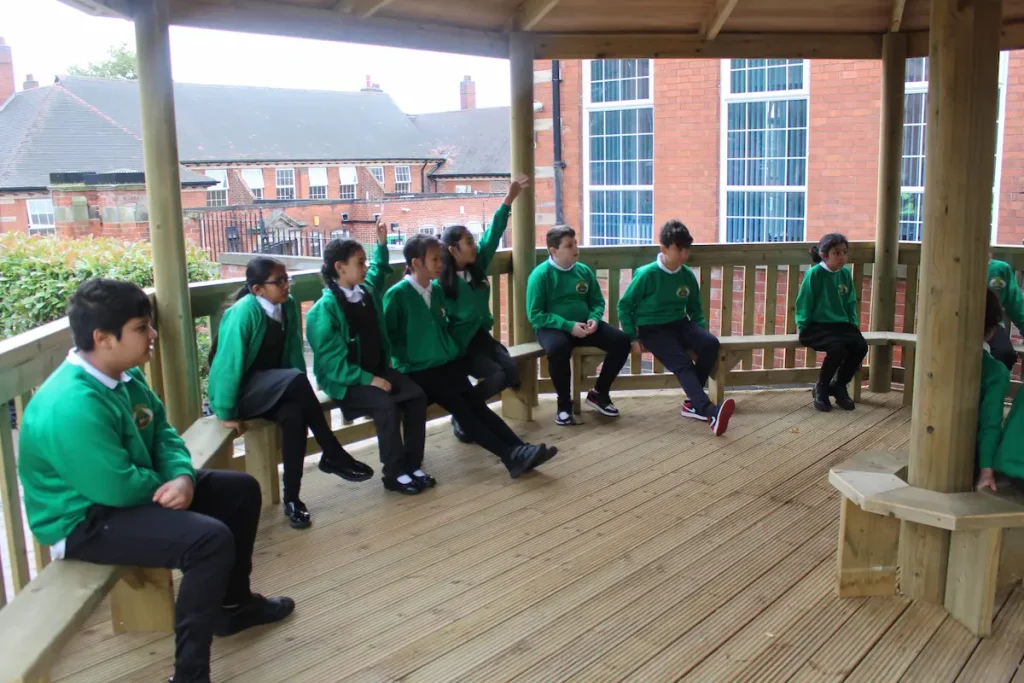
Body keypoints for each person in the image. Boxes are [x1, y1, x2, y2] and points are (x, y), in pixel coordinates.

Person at [17, 278, 293, 683]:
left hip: (130, 492)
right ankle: (189, 674)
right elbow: (113, 485)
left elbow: (163, 435)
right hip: (82, 518)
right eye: (141, 327)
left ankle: (233, 607)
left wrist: (182, 476)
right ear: (103, 338)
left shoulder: (125, 376)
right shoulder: (71, 403)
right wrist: (178, 486)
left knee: (240, 491)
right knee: (208, 541)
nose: (153, 335)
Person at [207, 257, 373, 529]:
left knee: (294, 418)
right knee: (296, 379)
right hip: (243, 393)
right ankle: (331, 451)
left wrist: (294, 389)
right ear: (258, 289)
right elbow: (227, 363)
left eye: (287, 279)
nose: (286, 286)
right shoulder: (244, 312)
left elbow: (293, 353)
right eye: (279, 281)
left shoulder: (288, 306)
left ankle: (293, 500)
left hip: (276, 387)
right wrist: (225, 411)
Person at [383, 234, 556, 479]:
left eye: (440, 258)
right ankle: (510, 455)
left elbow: (445, 326)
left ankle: (519, 449)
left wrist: (451, 350)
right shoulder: (398, 295)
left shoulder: (434, 291)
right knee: (464, 408)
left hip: (444, 363)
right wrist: (403, 362)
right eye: (434, 259)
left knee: (476, 406)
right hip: (417, 370)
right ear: (416, 262)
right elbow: (388, 338)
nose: (440, 263)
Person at [307, 218, 431, 495]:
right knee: (386, 406)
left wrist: (382, 244)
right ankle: (394, 471)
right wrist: (369, 379)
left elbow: (379, 271)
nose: (365, 267)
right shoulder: (323, 311)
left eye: (364, 262)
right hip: (348, 382)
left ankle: (412, 464)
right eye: (359, 263)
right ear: (340, 268)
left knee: (415, 396)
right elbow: (333, 364)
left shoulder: (365, 292)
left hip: (377, 372)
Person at [617, 219, 736, 436]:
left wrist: (698, 335)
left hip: (679, 323)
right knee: (683, 363)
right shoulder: (646, 274)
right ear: (664, 248)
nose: (684, 255)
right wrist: (632, 337)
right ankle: (710, 412)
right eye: (679, 249)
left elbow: (695, 308)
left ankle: (693, 403)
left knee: (710, 344)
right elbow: (625, 305)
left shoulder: (686, 274)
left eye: (686, 249)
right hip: (651, 327)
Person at [439, 174, 529, 443]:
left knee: (512, 373)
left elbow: (493, 234)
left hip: (481, 337)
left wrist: (509, 199)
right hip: (460, 346)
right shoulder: (442, 284)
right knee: (497, 374)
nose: (475, 245)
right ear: (453, 249)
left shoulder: (476, 267)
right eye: (468, 242)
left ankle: (463, 411)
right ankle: (464, 414)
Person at [527, 225, 631, 425]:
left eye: (575, 242)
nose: (576, 247)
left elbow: (597, 301)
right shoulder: (540, 276)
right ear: (554, 251)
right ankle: (564, 405)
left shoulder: (583, 271)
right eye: (569, 245)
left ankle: (599, 393)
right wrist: (567, 325)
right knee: (558, 348)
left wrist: (595, 318)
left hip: (585, 325)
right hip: (552, 328)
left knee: (621, 341)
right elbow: (536, 315)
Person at [795, 232, 867, 412]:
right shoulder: (815, 274)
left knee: (860, 346)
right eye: (836, 253)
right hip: (817, 325)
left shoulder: (845, 274)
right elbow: (805, 301)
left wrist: (853, 324)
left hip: (841, 325)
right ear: (823, 254)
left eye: (844, 252)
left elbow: (850, 302)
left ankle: (839, 385)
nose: (842, 257)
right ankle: (821, 387)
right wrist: (803, 326)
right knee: (837, 349)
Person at [977, 288, 1013, 493]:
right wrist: (986, 470)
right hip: (968, 454)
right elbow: (990, 423)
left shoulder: (933, 360)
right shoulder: (995, 371)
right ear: (991, 330)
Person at [986, 256, 1024, 371]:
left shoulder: (1000, 269)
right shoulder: (955, 266)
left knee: (1005, 354)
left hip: (991, 324)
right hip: (958, 321)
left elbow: (1016, 306)